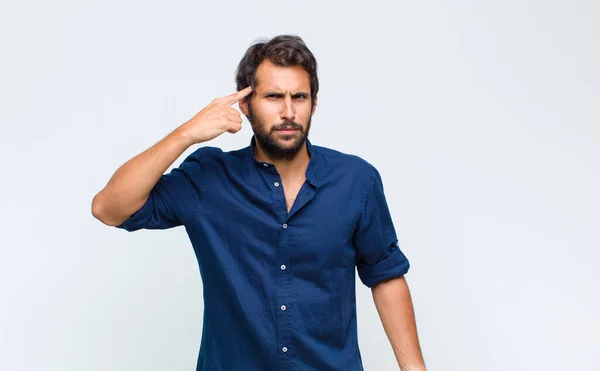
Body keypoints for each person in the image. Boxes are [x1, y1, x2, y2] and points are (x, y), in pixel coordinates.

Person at [92, 35, 426, 371]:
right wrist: (186, 134)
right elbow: (109, 208)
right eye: (273, 97)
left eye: (299, 97)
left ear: (314, 103)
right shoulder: (209, 177)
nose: (288, 112)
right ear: (246, 104)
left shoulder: (356, 180)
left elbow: (385, 276)